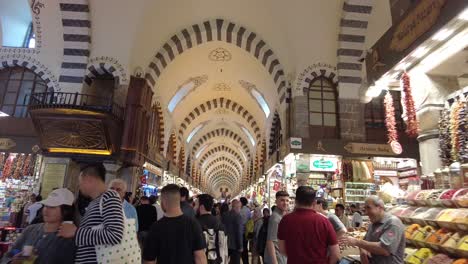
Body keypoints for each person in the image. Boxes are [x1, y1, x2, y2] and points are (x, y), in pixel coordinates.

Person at [58, 163, 125, 264]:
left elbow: (115, 235)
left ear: (89, 179)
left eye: (80, 182)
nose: (79, 186)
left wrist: (76, 232)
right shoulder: (95, 202)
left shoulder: (109, 197)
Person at [1, 188, 76, 264]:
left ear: (66, 211)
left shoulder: (68, 238)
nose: (46, 210)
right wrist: (12, 261)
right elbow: (9, 255)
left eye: (52, 207)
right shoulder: (30, 230)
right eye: (46, 206)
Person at [143, 184, 206, 264]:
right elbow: (200, 258)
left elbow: (149, 261)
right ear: (179, 200)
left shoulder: (155, 227)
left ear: (163, 203)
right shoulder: (193, 224)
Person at [278, 186, 340, 264]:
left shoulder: (285, 220)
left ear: (296, 201)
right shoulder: (324, 221)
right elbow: (336, 254)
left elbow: (282, 250)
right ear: (314, 203)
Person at [339, 196, 405, 264]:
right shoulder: (373, 224)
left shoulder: (393, 223)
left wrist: (357, 242)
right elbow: (365, 242)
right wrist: (363, 251)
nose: (366, 212)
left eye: (369, 208)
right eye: (365, 208)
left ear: (380, 207)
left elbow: (384, 249)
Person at [196, 194, 227, 264]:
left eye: (196, 205)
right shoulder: (220, 223)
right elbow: (224, 247)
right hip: (217, 260)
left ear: (201, 207)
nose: (195, 207)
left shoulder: (195, 224)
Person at [265, 191, 289, 264]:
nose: (285, 203)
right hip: (277, 258)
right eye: (282, 200)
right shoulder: (275, 218)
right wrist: (275, 262)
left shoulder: (282, 216)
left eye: (287, 200)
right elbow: (270, 241)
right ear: (276, 201)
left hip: (281, 257)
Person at [221, 199, 243, 264]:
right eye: (240, 207)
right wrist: (240, 246)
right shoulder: (238, 216)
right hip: (235, 245)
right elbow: (239, 232)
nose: (240, 209)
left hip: (225, 243)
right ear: (237, 207)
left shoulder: (224, 215)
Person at [239, 197, 251, 264]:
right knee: (245, 247)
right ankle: (246, 262)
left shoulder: (241, 210)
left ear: (241, 202)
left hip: (241, 231)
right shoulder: (248, 210)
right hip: (246, 231)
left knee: (241, 247)